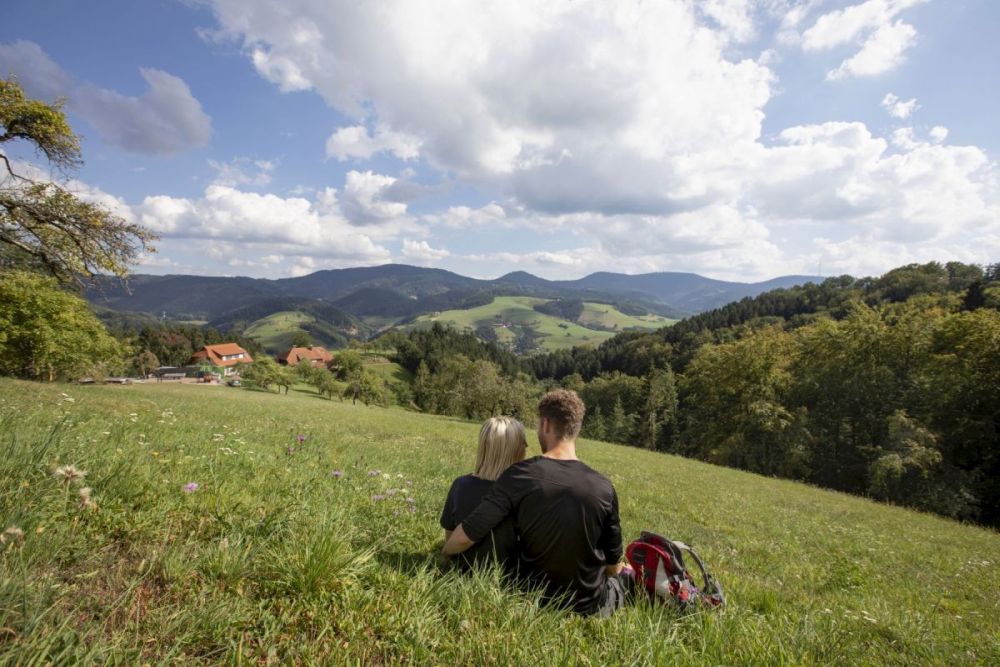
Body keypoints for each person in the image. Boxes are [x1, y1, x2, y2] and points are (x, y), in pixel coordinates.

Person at [442, 390, 632, 617]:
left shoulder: (520, 475)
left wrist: (444, 553)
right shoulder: (604, 487)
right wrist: (622, 572)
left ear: (545, 425)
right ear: (575, 429)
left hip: (531, 596)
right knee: (626, 577)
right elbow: (612, 564)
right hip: (592, 606)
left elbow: (470, 531)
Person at [440, 416, 527, 572]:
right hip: (509, 577)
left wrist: (446, 559)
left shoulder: (460, 485)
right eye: (524, 444)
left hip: (461, 570)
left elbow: (450, 532)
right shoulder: (523, 492)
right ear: (516, 451)